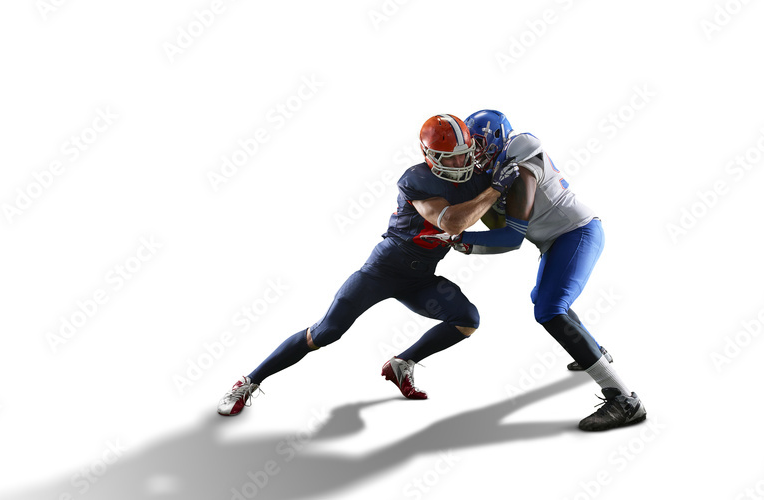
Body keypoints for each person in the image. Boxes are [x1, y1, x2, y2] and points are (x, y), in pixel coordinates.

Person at [217, 114, 520, 416]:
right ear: (430, 156)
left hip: (422, 277)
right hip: (383, 270)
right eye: (450, 159)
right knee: (324, 332)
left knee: (467, 320)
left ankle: (402, 364)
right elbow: (453, 222)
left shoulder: (477, 179)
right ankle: (248, 382)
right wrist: (495, 190)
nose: (459, 164)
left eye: (464, 156)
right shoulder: (416, 179)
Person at [425, 110, 646, 431]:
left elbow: (512, 237)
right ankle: (593, 351)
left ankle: (625, 401)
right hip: (556, 240)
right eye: (472, 145)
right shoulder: (497, 170)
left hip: (576, 232)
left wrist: (463, 239)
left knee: (549, 310)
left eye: (480, 145)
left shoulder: (520, 166)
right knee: (544, 298)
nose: (474, 153)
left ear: (499, 141)